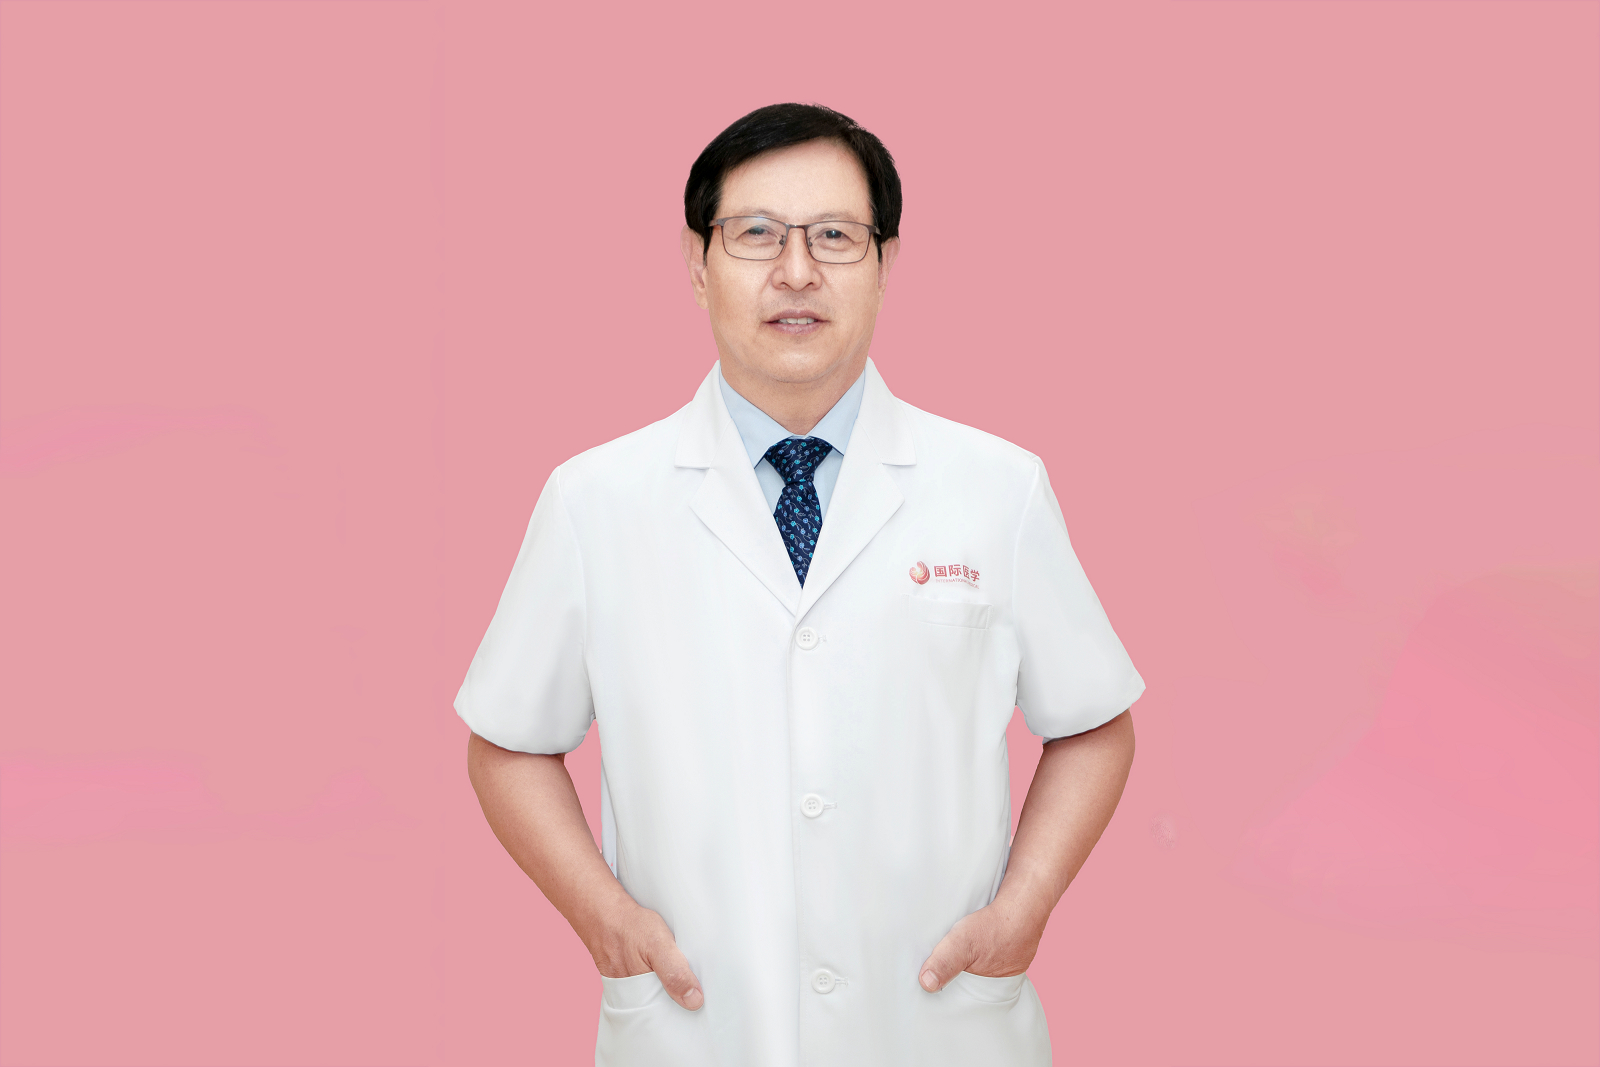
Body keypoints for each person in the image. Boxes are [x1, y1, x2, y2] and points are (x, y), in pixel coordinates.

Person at [457, 102, 1144, 1066]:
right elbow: (508, 742)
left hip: (940, 1029)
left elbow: (1094, 720)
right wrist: (605, 918)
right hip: (698, 1031)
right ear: (697, 262)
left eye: (834, 236)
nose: (795, 271)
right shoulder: (594, 499)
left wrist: (1024, 908)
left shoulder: (998, 487)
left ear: (886, 263)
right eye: (755, 234)